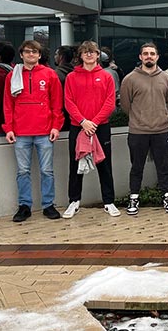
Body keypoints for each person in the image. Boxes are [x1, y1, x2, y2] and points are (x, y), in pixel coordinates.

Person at [3, 40, 64, 222]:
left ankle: (48, 205)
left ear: (39, 55)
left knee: (47, 171)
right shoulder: (12, 76)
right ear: (21, 55)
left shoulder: (50, 75)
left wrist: (56, 126)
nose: (31, 54)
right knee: (23, 171)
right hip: (21, 132)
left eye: (34, 52)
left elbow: (56, 104)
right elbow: (8, 105)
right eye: (27, 52)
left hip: (45, 131)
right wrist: (9, 128)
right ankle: (24, 206)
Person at [62, 41, 120, 219]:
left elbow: (110, 103)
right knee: (75, 165)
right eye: (85, 52)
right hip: (78, 127)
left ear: (97, 55)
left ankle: (109, 202)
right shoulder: (72, 77)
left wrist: (93, 122)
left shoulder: (106, 76)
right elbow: (68, 102)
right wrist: (83, 121)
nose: (89, 55)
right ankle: (74, 201)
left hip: (100, 127)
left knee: (104, 164)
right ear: (80, 55)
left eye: (92, 52)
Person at [120, 43, 168, 215]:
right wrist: (139, 119)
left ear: (157, 57)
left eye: (152, 53)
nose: (149, 56)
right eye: (145, 54)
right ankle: (134, 198)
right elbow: (125, 105)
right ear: (140, 57)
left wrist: (161, 116)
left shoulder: (167, 79)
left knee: (164, 166)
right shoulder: (130, 79)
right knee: (136, 167)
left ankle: (167, 197)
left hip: (161, 130)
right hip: (138, 131)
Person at [54, 45, 76, 132]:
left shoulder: (55, 75)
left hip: (61, 116)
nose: (54, 57)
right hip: (75, 117)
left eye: (56, 54)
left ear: (61, 57)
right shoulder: (76, 73)